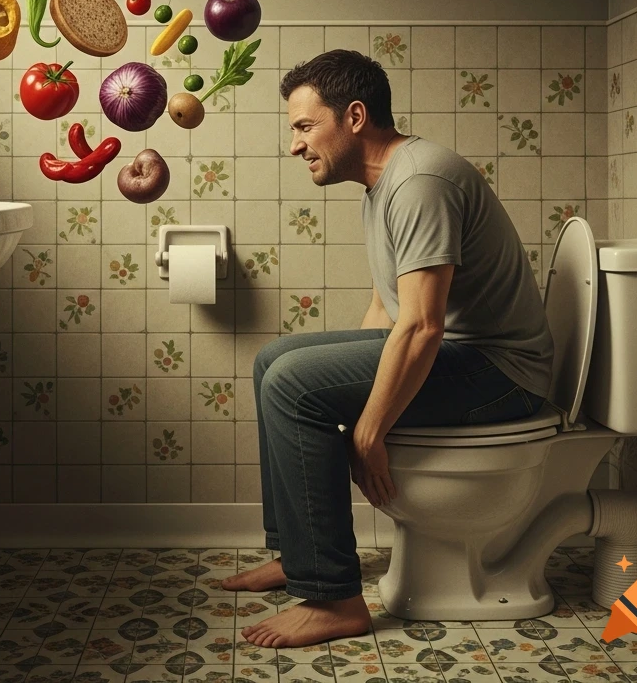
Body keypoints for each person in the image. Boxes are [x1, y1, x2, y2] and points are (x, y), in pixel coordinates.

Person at [222, 49, 554, 649]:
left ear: (354, 116)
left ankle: (331, 598)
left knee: (294, 384)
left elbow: (423, 327)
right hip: (460, 355)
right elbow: (389, 311)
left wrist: (368, 429)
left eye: (303, 126)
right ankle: (298, 554)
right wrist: (349, 383)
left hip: (503, 373)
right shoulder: (382, 183)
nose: (294, 146)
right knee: (278, 363)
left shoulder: (420, 181)